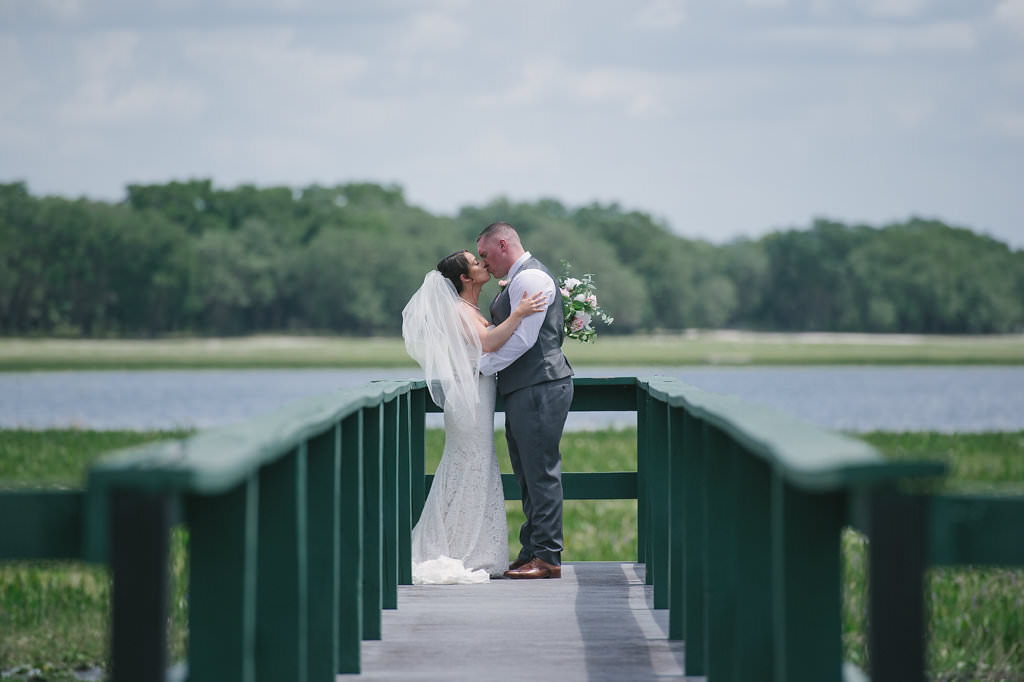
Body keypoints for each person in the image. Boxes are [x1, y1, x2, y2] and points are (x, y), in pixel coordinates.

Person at [402, 249, 546, 584]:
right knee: (469, 462)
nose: (483, 265)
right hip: (468, 403)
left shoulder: (469, 308)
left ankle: (472, 546)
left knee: (477, 463)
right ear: (465, 278)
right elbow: (490, 342)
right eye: (476, 263)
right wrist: (520, 312)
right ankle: (460, 549)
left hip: (477, 397)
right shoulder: (458, 310)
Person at [477, 222, 574, 579]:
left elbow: (523, 342)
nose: (484, 264)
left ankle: (548, 556)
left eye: (486, 255)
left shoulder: (530, 279)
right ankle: (532, 548)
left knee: (541, 472)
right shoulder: (518, 279)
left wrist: (481, 366)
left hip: (541, 385)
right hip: (526, 387)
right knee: (526, 473)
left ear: (503, 244)